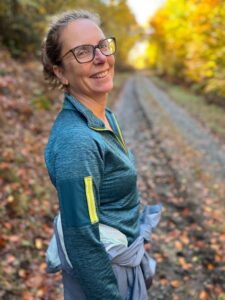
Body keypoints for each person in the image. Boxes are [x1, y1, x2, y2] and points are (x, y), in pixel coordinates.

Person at [42, 10, 161, 300]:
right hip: (107, 278)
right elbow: (83, 242)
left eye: (102, 45)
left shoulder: (103, 116)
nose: (100, 58)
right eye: (82, 51)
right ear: (60, 71)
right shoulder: (78, 142)